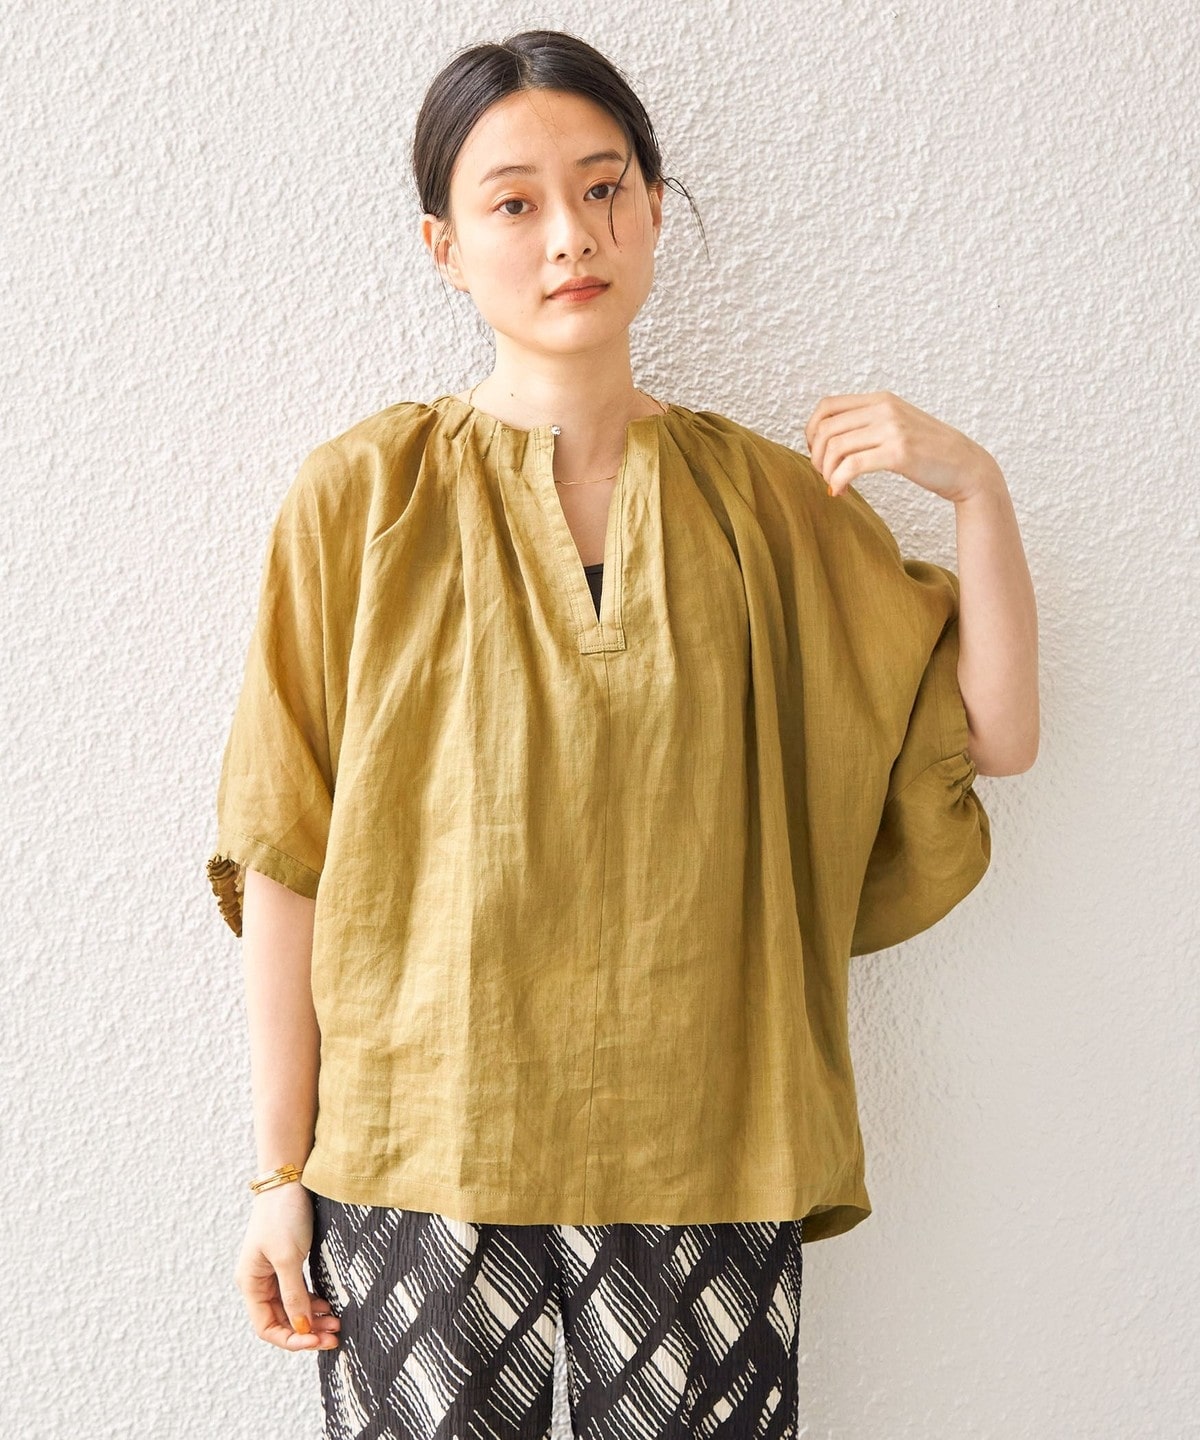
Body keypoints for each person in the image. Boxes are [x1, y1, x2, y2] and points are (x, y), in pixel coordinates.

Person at [205, 28, 1038, 1440]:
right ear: (443, 245)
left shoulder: (771, 508)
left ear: (652, 205)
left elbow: (994, 736)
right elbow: (287, 852)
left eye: (603, 188)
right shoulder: (362, 500)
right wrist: (278, 1174)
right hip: (420, 1157)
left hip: (705, 1148)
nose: (570, 235)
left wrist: (977, 491)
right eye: (514, 202)